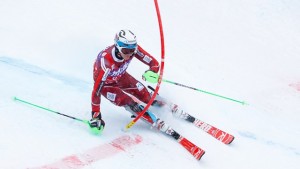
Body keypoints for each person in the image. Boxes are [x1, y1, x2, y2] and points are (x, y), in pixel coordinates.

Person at [89, 29, 165, 133]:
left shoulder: (132, 49)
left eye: (132, 51)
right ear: (117, 47)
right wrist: (96, 116)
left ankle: (158, 103)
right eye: (125, 51)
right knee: (126, 100)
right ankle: (137, 109)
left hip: (120, 77)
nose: (129, 54)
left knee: (143, 92)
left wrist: (152, 71)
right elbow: (96, 91)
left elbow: (153, 62)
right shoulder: (106, 63)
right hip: (106, 86)